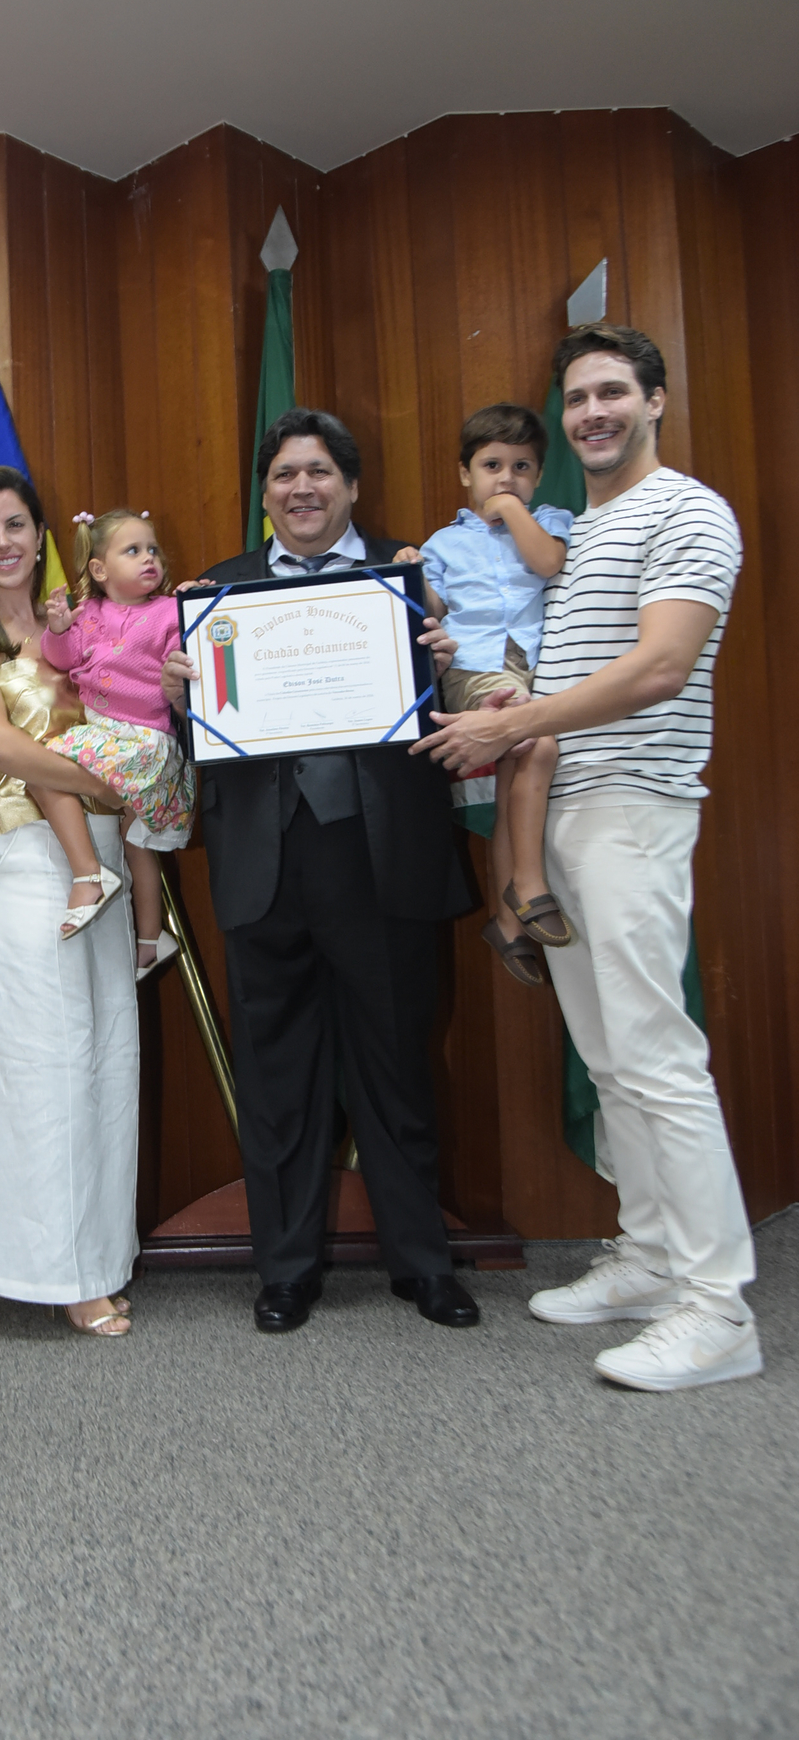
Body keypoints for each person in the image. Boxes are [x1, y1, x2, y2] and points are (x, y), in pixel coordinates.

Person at [416, 324, 761, 1393]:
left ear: (655, 400)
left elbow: (660, 666)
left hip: (631, 805)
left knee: (657, 1058)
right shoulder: (580, 528)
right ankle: (652, 1259)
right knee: (611, 1059)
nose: (592, 413)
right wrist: (489, 678)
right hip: (560, 809)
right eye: (577, 399)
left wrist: (511, 724)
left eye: (613, 392)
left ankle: (717, 1308)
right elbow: (553, 651)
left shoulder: (686, 511)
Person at [161, 407, 479, 1336]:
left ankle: (423, 1264)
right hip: (264, 866)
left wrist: (444, 663)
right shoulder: (218, 592)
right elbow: (204, 737)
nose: (301, 488)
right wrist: (181, 697)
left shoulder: (410, 578)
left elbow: (459, 711)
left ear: (350, 485)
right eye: (284, 475)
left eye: (319, 473)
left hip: (382, 860)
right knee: (277, 1081)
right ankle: (287, 1271)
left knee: (395, 1070)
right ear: (265, 494)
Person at [0, 466, 140, 1338]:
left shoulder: (83, 623)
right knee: (40, 1067)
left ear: (42, 533)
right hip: (20, 865)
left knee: (106, 1059)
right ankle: (53, 1273)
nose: (4, 542)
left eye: (17, 524)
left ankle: (99, 1259)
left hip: (103, 856)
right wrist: (103, 782)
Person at [415, 403, 573, 988]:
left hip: (531, 666)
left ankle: (507, 922)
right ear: (465, 473)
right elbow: (429, 611)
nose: (507, 478)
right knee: (538, 743)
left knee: (519, 769)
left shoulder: (550, 520)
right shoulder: (445, 542)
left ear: (539, 474)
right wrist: (413, 573)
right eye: (492, 466)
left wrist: (509, 509)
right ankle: (528, 885)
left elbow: (548, 562)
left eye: (521, 467)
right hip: (474, 668)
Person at [34, 507, 194, 977]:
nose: (149, 559)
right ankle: (150, 938)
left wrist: (196, 608)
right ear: (99, 570)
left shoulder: (169, 612)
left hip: (143, 740)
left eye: (153, 550)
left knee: (41, 767)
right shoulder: (89, 614)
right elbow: (61, 657)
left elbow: (185, 658)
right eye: (133, 550)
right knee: (135, 841)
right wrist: (58, 629)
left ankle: (88, 872)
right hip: (108, 735)